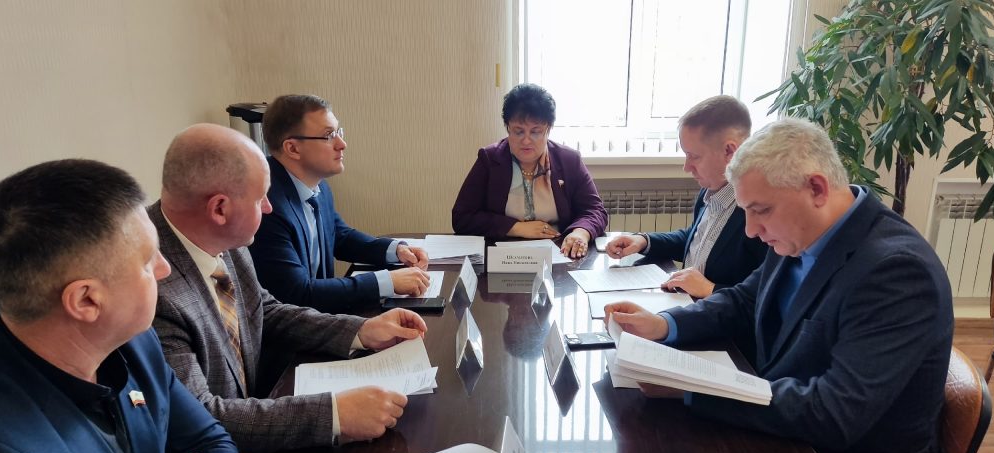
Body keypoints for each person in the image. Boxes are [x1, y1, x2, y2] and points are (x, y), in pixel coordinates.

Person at [605, 118, 953, 453]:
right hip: (787, 441)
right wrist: (664, 324)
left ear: (817, 189)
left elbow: (836, 413)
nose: (751, 230)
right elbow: (745, 299)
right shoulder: (804, 231)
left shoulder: (896, 272)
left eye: (760, 211)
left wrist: (691, 388)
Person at [0, 159, 280, 453]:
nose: (165, 268)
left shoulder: (130, 338)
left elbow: (209, 442)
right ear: (86, 300)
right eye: (147, 260)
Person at [152, 124, 428, 453]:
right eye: (260, 199)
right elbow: (201, 417)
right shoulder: (153, 286)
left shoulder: (221, 235)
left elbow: (264, 311)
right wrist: (334, 415)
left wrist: (362, 330)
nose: (269, 208)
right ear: (220, 209)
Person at [248, 94, 430, 313]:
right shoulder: (266, 205)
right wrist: (386, 282)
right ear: (293, 148)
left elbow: (339, 236)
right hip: (290, 326)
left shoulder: (318, 185)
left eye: (338, 132)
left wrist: (396, 250)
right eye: (328, 135)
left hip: (320, 316)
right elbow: (296, 294)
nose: (342, 144)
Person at [605, 95, 767, 298]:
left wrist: (711, 290)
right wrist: (643, 241)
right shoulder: (710, 190)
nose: (686, 167)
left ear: (729, 151)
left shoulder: (759, 213)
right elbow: (696, 239)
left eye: (694, 156)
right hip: (684, 302)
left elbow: (765, 296)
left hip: (716, 312)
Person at [452, 83, 607, 258]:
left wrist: (580, 232)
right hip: (502, 256)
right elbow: (462, 217)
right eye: (518, 131)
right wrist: (516, 228)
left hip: (558, 254)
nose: (526, 141)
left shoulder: (569, 160)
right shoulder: (490, 160)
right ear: (508, 127)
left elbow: (595, 210)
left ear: (548, 129)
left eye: (535, 132)